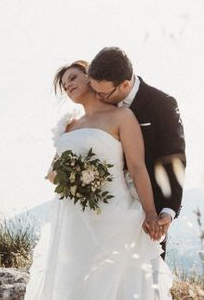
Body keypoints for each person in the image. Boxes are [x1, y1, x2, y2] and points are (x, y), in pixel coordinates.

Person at [23, 60, 173, 300]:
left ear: (90, 77)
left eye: (72, 78)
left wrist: (150, 212)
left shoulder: (121, 116)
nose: (68, 86)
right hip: (73, 216)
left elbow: (136, 166)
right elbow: (52, 174)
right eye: (63, 85)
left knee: (112, 281)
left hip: (114, 214)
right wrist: (76, 175)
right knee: (75, 281)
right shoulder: (69, 126)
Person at [88, 47, 186, 259]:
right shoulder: (99, 107)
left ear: (124, 84)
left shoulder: (162, 104)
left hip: (148, 208)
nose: (97, 97)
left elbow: (174, 157)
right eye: (94, 90)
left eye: (103, 93)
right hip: (108, 206)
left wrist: (168, 210)